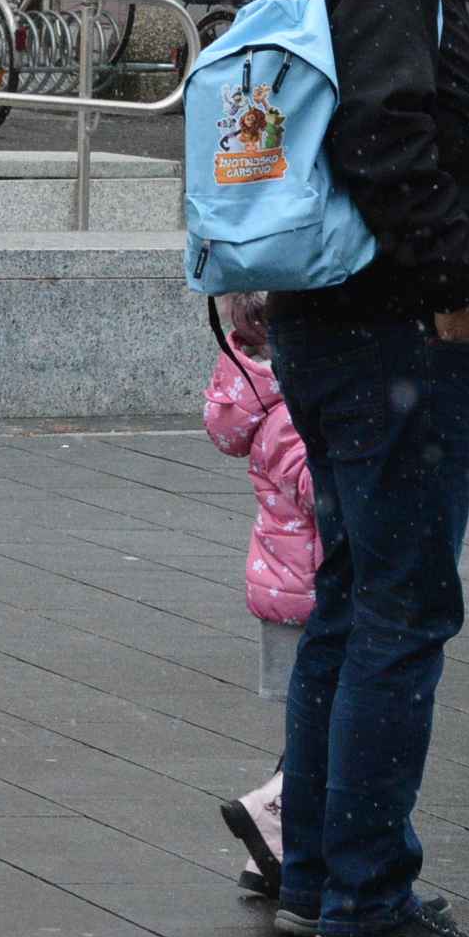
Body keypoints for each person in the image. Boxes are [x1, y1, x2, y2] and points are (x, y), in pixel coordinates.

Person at [264, 0, 469, 937]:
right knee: (401, 612)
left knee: (350, 602)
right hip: (392, 327)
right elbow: (384, 130)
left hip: (330, 317)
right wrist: (456, 281)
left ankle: (315, 876)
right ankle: (365, 894)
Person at [205, 292, 311, 902]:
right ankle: (273, 812)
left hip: (284, 592)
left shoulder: (263, 397)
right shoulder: (297, 409)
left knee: (311, 718)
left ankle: (275, 853)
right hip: (312, 595)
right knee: (328, 717)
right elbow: (323, 490)